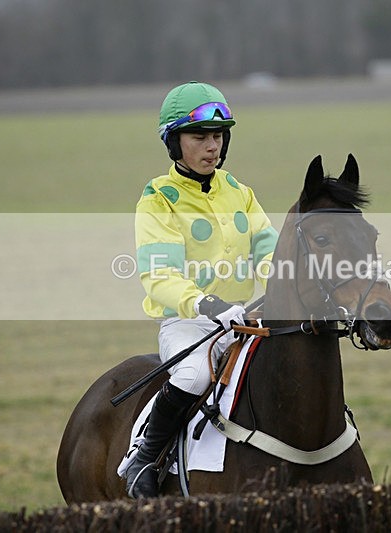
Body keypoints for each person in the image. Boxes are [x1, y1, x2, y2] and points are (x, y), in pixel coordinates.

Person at [123, 81, 278, 498]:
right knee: (194, 374)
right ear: (175, 143)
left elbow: (269, 250)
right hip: (189, 325)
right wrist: (209, 304)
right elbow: (160, 276)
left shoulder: (240, 193)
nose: (212, 146)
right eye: (199, 137)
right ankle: (143, 459)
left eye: (218, 136)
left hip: (245, 321)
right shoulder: (158, 199)